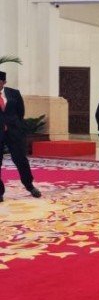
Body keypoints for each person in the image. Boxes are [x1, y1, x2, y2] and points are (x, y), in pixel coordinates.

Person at [0, 71, 42, 202]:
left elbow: (20, 112)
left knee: (21, 159)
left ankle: (30, 186)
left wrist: (14, 124)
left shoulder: (14, 93)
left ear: (4, 82)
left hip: (14, 132)